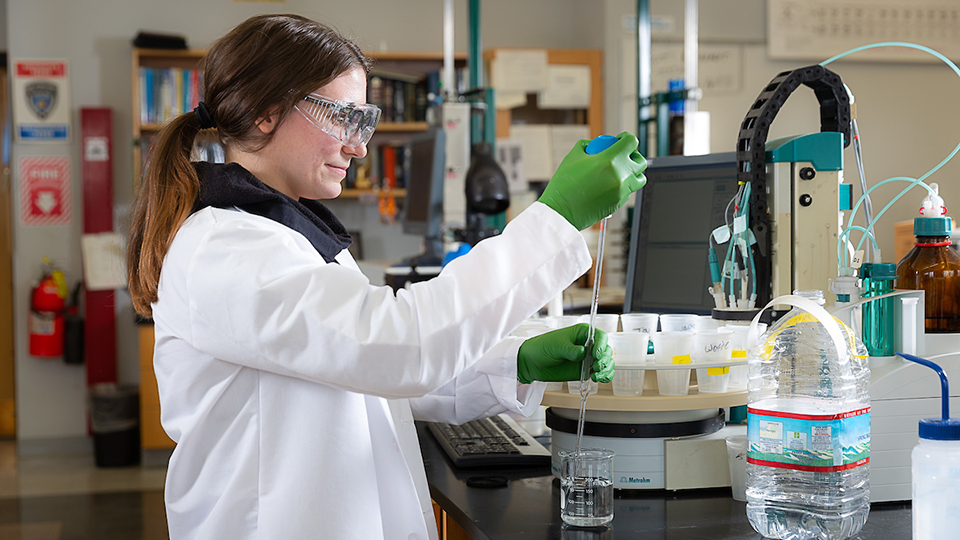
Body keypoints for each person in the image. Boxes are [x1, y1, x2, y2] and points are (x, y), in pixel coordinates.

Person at [126, 13, 646, 540]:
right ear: (266, 113)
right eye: (341, 117)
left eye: (364, 121)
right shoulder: (224, 248)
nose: (359, 146)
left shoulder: (284, 234)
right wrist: (554, 219)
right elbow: (398, 349)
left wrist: (512, 363)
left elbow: (360, 376)